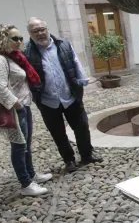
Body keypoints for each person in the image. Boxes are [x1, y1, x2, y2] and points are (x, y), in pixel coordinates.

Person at [24, 17, 101, 173]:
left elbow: (75, 61)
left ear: (47, 29)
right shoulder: (27, 52)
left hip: (70, 95)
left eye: (42, 29)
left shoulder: (63, 44)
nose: (40, 33)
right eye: (35, 31)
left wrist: (82, 80)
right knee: (58, 133)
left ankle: (87, 155)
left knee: (82, 127)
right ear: (30, 34)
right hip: (47, 101)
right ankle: (69, 160)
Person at [0, 24, 52, 195]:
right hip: (14, 109)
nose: (20, 41)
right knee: (19, 146)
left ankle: (31, 174)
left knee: (26, 144)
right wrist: (17, 104)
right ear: (2, 39)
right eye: (15, 38)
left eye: (21, 38)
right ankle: (26, 184)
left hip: (23, 106)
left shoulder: (14, 57)